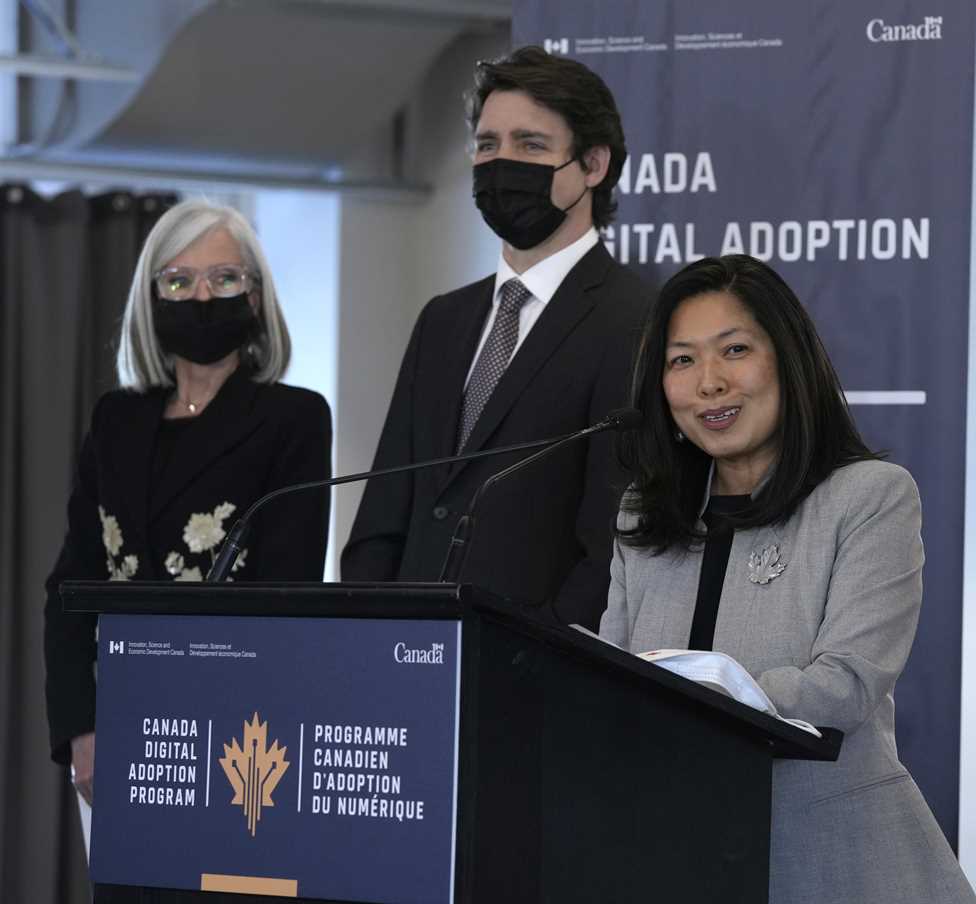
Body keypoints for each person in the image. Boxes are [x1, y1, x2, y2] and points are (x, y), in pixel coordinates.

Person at [599, 255, 976, 903]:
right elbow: (608, 676)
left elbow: (846, 686)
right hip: (673, 857)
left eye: (735, 350)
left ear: (789, 360)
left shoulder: (869, 498)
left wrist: (703, 695)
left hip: (835, 865)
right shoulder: (645, 514)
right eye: (682, 361)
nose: (709, 383)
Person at [341, 46, 652, 629]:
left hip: (530, 677)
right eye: (488, 146)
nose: (501, 163)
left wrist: (534, 659)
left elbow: (611, 546)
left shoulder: (636, 320)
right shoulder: (444, 319)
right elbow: (386, 512)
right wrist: (364, 634)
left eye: (530, 146)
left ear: (593, 165)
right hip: (400, 658)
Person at [43, 200, 332, 810]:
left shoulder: (294, 420)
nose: (202, 297)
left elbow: (287, 594)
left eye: (224, 278)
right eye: (179, 280)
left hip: (235, 733)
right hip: (117, 723)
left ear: (254, 296)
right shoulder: (116, 420)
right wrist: (81, 731)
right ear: (153, 300)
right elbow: (72, 585)